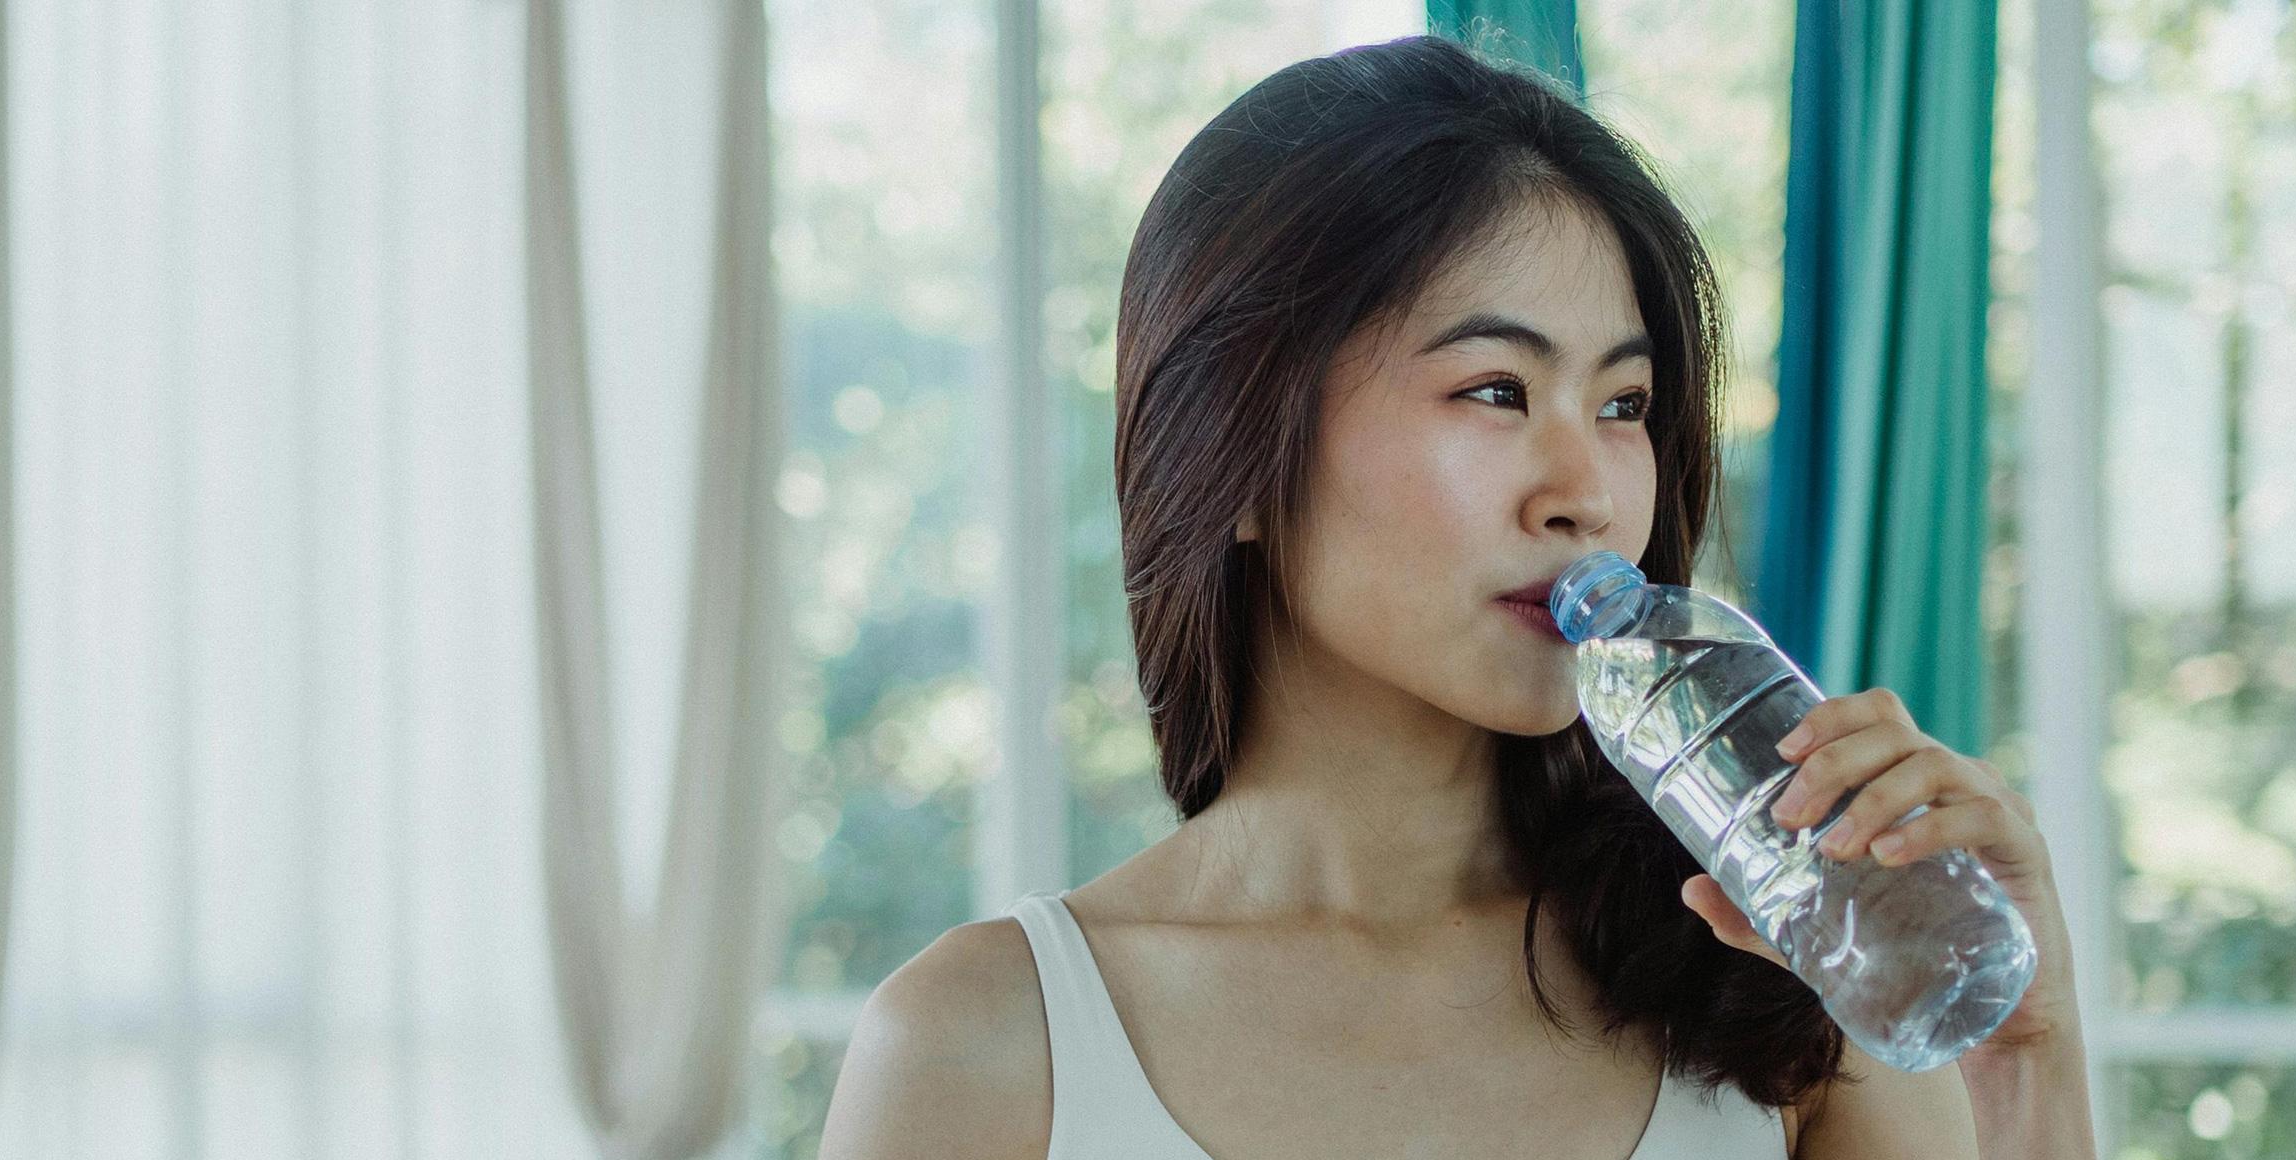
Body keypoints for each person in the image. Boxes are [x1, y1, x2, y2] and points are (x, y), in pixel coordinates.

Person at [819, 34, 2095, 1160]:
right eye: (1495, 389)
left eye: (1624, 405)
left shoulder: (1787, 987)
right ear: (1235, 454)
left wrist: (2025, 1061)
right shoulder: (987, 1048)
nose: (1585, 491)